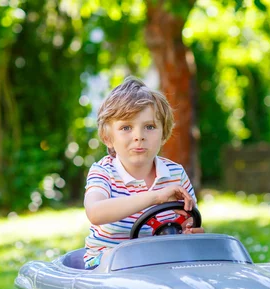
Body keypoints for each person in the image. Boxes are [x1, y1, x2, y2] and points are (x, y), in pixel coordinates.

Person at [83, 76, 204, 269]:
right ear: (108, 137)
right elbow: (95, 212)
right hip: (107, 265)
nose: (139, 136)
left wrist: (189, 231)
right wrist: (155, 197)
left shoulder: (175, 173)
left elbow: (190, 222)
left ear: (163, 133)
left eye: (149, 127)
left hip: (160, 263)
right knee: (123, 266)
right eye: (126, 128)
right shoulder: (104, 171)